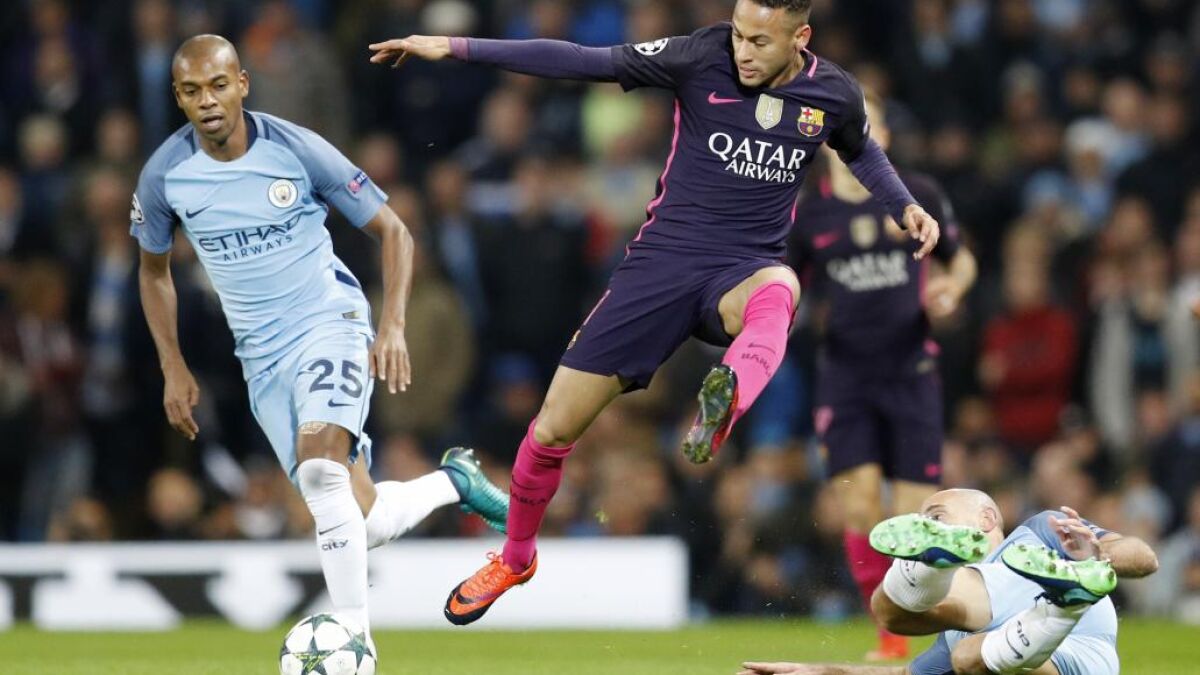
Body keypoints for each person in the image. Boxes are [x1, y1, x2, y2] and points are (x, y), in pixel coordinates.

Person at [370, 0, 943, 625]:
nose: (743, 51)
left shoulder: (833, 93)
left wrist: (903, 205)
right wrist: (458, 47)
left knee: (780, 288)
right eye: (739, 35)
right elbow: (581, 60)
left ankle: (727, 400)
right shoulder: (700, 55)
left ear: (800, 37)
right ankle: (515, 558)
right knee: (551, 430)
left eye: (759, 41)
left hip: (741, 270)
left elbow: (861, 150)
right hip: (659, 271)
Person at [130, 35, 509, 643]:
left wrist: (392, 325)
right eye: (193, 91)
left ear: (242, 84)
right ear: (178, 97)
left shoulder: (295, 149)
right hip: (261, 359)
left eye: (219, 85)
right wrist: (172, 365)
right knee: (362, 517)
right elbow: (154, 272)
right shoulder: (165, 176)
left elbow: (395, 231)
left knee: (319, 472)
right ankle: (454, 482)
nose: (208, 101)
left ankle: (353, 639)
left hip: (328, 323)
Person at [791, 91, 977, 660]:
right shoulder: (808, 213)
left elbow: (960, 259)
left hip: (911, 372)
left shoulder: (917, 196)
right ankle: (890, 632)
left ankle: (934, 621)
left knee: (918, 515)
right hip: (844, 375)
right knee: (859, 507)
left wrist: (952, 288)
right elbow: (787, 284)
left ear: (884, 138)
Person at [739, 489, 1159, 674]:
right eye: (924, 526)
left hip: (1083, 645)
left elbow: (1144, 557)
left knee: (897, 610)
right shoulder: (954, 638)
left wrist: (1095, 555)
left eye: (936, 519)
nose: (927, 524)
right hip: (1046, 658)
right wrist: (819, 673)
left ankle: (924, 568)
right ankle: (1062, 603)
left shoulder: (1041, 531)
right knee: (964, 657)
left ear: (986, 518)